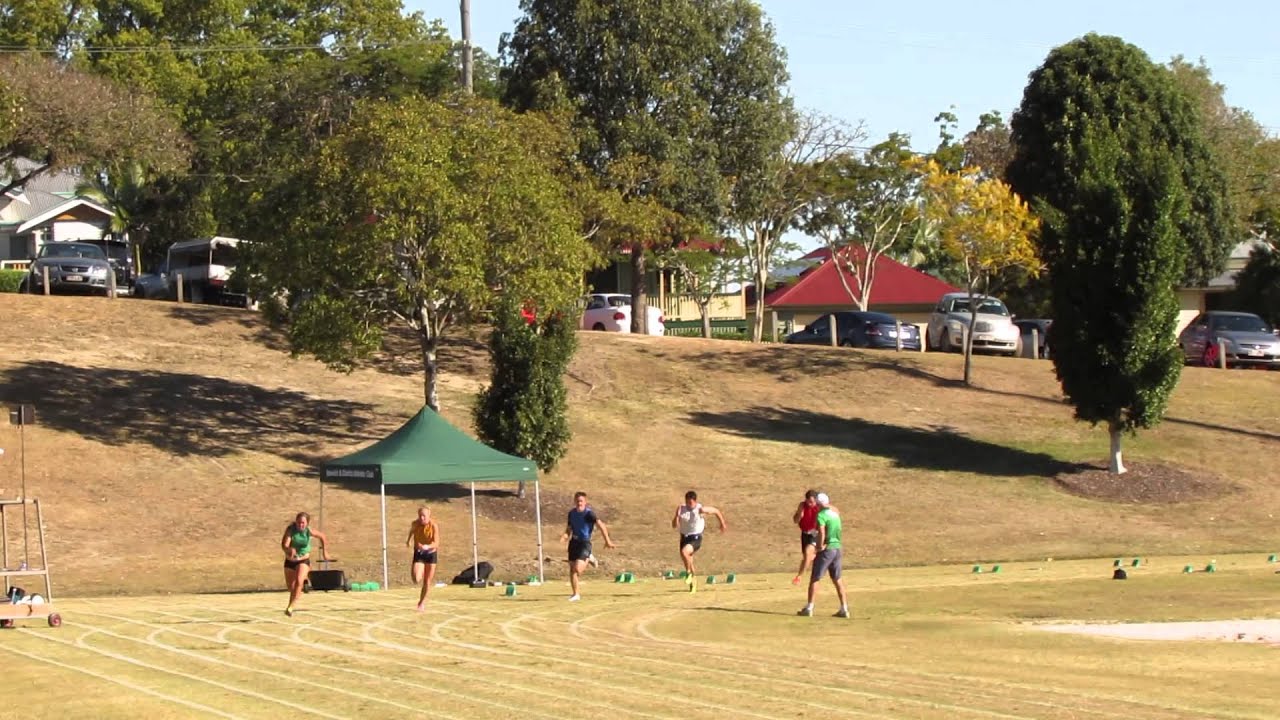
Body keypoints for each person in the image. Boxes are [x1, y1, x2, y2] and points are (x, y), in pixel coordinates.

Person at [797, 493, 849, 618]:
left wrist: (819, 546)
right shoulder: (835, 515)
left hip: (827, 549)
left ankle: (809, 608)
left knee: (815, 578)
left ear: (819, 503)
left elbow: (821, 531)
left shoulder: (821, 515)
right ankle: (844, 608)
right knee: (837, 579)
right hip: (837, 547)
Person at [560, 491, 616, 601]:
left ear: (585, 502)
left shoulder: (589, 514)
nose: (579, 503)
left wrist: (607, 541)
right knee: (572, 570)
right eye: (577, 501)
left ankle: (589, 556)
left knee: (578, 569)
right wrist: (565, 536)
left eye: (581, 501)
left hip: (584, 543)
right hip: (573, 543)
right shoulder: (571, 513)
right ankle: (575, 594)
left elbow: (601, 526)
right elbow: (569, 528)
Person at [672, 490, 727, 593]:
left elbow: (716, 511)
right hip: (684, 538)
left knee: (685, 553)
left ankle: (688, 574)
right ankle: (693, 584)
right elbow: (674, 525)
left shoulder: (700, 509)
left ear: (695, 501)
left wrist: (722, 523)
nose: (688, 505)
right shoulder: (681, 509)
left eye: (690, 503)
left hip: (695, 538)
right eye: (687, 502)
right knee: (689, 561)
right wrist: (677, 516)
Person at [281, 511, 330, 617]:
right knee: (291, 587)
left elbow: (322, 536)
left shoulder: (309, 531)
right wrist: (289, 550)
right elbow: (284, 544)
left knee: (299, 581)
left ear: (307, 523)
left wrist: (325, 552)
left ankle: (291, 607)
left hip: (303, 559)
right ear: (296, 522)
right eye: (299, 522)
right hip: (290, 561)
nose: (301, 525)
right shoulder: (291, 530)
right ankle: (293, 601)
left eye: (303, 523)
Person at [405, 506, 440, 611]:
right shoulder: (415, 524)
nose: (422, 518)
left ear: (429, 516)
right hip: (419, 552)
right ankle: (419, 572)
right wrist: (408, 540)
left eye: (424, 516)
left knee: (427, 580)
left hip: (431, 553)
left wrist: (427, 547)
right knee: (416, 578)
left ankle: (421, 603)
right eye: (420, 516)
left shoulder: (433, 526)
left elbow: (437, 543)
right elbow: (411, 531)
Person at [792, 489, 820, 586]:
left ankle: (799, 577)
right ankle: (814, 558)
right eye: (808, 501)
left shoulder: (819, 507)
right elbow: (795, 521)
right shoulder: (802, 505)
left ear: (816, 500)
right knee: (806, 558)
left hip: (815, 534)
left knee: (808, 553)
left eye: (812, 502)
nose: (810, 504)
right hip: (805, 534)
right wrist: (800, 514)